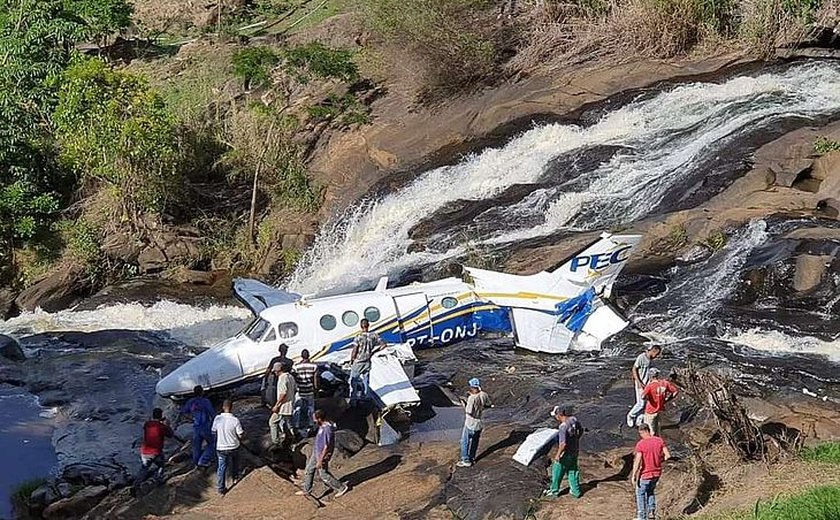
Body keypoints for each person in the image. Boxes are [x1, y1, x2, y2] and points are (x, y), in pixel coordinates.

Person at [295, 409, 349, 498]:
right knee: (309, 469)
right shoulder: (321, 426)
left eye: (315, 419)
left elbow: (326, 446)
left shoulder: (327, 429)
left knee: (324, 475)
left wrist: (320, 460)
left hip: (322, 455)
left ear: (319, 418)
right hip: (316, 452)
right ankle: (307, 489)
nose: (314, 421)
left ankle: (341, 487)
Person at [133, 408, 184, 493]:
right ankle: (158, 480)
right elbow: (170, 435)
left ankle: (136, 484)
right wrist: (167, 425)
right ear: (161, 416)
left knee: (144, 468)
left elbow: (148, 426)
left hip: (145, 451)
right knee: (161, 465)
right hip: (156, 452)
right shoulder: (161, 426)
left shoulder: (147, 424)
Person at [632, 423, 671, 520]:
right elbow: (668, 456)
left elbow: (638, 460)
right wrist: (659, 460)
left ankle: (641, 517)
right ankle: (651, 512)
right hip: (657, 472)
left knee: (640, 493)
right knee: (650, 491)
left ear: (641, 432)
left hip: (646, 473)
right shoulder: (659, 440)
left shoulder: (641, 444)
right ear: (649, 430)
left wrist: (634, 474)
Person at [543, 406, 582, 498]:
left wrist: (558, 455)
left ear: (559, 415)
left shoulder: (563, 427)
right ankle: (576, 491)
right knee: (573, 470)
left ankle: (554, 491)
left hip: (566, 453)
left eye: (555, 415)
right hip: (574, 450)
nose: (555, 417)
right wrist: (575, 440)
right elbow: (581, 430)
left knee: (557, 470)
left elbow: (563, 444)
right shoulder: (573, 420)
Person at [457, 378, 492, 468]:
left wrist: (464, 404)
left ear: (471, 387)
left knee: (464, 442)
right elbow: (488, 404)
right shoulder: (484, 394)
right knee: (475, 441)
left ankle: (465, 460)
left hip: (470, 423)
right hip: (479, 423)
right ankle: (472, 458)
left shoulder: (472, 398)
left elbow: (469, 411)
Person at [212, 399, 244, 495]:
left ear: (223, 407)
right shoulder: (235, 420)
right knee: (235, 461)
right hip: (233, 446)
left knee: (222, 467)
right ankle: (235, 477)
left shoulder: (217, 419)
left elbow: (213, 432)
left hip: (221, 447)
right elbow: (240, 434)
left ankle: (221, 488)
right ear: (231, 408)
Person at [349, 319, 385, 404]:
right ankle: (366, 397)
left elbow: (355, 350)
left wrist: (352, 359)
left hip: (358, 361)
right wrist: (373, 352)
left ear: (361, 326)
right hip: (368, 361)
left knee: (353, 380)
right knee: (366, 380)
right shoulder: (374, 335)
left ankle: (353, 400)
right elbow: (383, 345)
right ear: (368, 325)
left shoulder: (358, 337)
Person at [180, 385, 216, 468]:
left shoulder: (191, 402)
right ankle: (203, 460)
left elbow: (183, 412)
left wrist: (191, 418)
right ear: (202, 392)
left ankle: (195, 462)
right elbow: (212, 413)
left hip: (196, 426)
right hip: (205, 425)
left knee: (196, 445)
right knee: (212, 443)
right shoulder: (205, 401)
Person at [627, 345, 662, 428]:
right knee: (640, 403)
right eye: (656, 354)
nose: (656, 356)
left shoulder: (651, 360)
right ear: (653, 351)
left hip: (648, 384)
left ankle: (639, 419)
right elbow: (634, 369)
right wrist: (639, 382)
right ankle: (631, 416)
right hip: (640, 383)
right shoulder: (641, 357)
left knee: (646, 403)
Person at [641, 368, 679, 436]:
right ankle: (657, 441)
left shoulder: (650, 386)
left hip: (651, 410)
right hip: (660, 409)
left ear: (650, 376)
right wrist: (667, 400)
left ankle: (651, 444)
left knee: (649, 430)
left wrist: (649, 399)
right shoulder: (664, 383)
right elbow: (675, 391)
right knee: (658, 428)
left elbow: (643, 396)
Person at [269, 361, 296, 445]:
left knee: (272, 422)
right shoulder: (290, 377)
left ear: (278, 370)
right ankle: (292, 438)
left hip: (283, 406)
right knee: (288, 423)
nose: (274, 373)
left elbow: (283, 393)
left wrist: (277, 405)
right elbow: (295, 389)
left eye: (275, 371)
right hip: (290, 404)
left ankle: (276, 442)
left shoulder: (282, 378)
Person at [293, 349, 319, 436]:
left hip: (300, 390)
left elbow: (295, 378)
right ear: (309, 355)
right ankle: (311, 425)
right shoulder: (314, 366)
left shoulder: (296, 367)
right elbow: (315, 379)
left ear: (301, 356)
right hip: (309, 390)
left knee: (297, 408)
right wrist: (316, 389)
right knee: (311, 408)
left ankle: (296, 426)